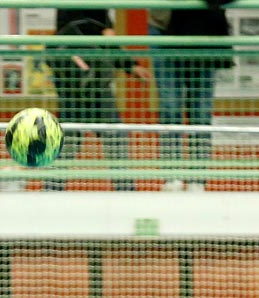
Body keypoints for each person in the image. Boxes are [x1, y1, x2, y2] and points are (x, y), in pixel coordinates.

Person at [44, 8, 147, 192]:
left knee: (114, 137)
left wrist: (131, 66)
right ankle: (52, 188)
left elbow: (108, 45)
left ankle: (125, 189)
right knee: (70, 140)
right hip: (75, 88)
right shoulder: (76, 15)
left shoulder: (102, 15)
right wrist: (101, 32)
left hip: (97, 86)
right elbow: (76, 33)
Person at [151, 3, 231, 187]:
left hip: (205, 29)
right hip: (164, 27)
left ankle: (198, 179)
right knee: (170, 108)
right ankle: (172, 177)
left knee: (201, 111)